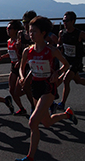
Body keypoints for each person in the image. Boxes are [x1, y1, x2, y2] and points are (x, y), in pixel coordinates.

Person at [15, 16, 77, 161]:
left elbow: (66, 65)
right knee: (47, 122)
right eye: (30, 31)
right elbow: (21, 68)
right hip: (35, 87)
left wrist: (57, 73)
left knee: (32, 122)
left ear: (43, 33)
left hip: (48, 88)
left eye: (34, 31)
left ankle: (30, 157)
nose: (31, 34)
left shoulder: (51, 50)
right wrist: (22, 77)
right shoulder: (27, 51)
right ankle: (67, 114)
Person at [57, 11, 85, 111]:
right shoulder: (62, 33)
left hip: (76, 62)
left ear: (73, 21)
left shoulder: (79, 33)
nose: (64, 22)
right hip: (66, 62)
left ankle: (62, 103)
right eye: (63, 20)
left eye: (67, 21)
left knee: (65, 79)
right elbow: (59, 44)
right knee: (78, 81)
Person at [0, 20, 27, 115]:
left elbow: (24, 54)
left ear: (16, 30)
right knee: (11, 90)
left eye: (10, 28)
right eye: (7, 28)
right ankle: (21, 108)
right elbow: (11, 53)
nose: (8, 30)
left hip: (20, 67)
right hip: (13, 66)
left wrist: (20, 62)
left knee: (18, 91)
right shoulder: (9, 41)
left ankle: (30, 93)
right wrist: (3, 56)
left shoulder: (18, 42)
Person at [16, 11, 37, 114]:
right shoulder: (21, 34)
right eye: (23, 22)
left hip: (35, 65)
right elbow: (20, 51)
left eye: (27, 22)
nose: (24, 24)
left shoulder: (37, 34)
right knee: (17, 91)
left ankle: (34, 106)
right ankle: (41, 103)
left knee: (26, 85)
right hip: (25, 63)